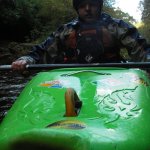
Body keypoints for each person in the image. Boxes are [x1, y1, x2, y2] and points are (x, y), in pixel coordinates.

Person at [11, 0, 150, 71]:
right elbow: (42, 52)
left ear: (99, 6)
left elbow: (142, 49)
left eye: (92, 4)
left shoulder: (116, 27)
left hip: (112, 77)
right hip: (71, 76)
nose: (88, 9)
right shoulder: (66, 30)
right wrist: (26, 60)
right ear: (77, 8)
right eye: (83, 5)